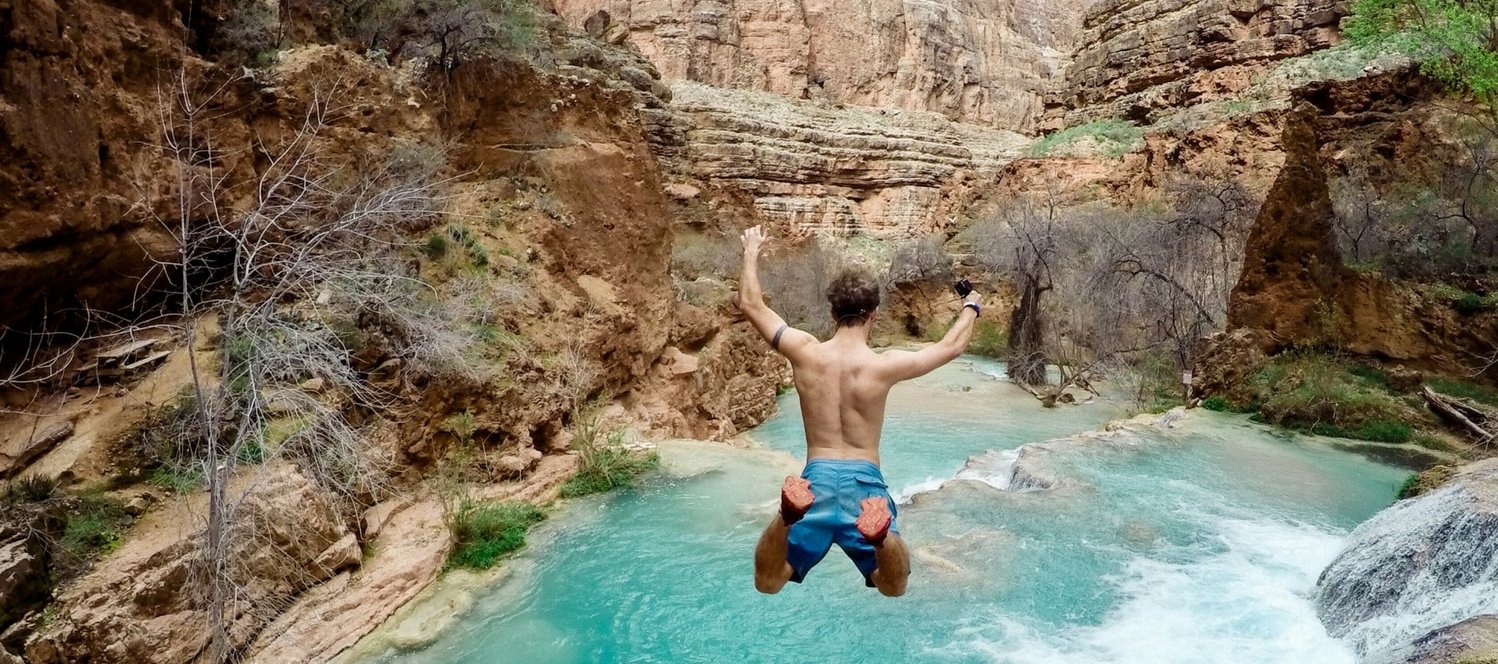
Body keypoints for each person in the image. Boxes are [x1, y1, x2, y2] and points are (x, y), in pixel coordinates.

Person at [735, 225, 982, 597]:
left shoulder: (804, 351)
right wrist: (972, 307)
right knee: (893, 585)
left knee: (768, 582)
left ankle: (788, 515)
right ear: (875, 314)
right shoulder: (883, 366)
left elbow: (752, 305)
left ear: (833, 312)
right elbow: (952, 347)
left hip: (814, 479)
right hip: (864, 482)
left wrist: (751, 251)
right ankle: (880, 537)